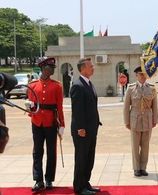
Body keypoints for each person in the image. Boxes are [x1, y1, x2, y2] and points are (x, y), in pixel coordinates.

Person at [26, 57, 65, 192]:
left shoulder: (57, 86)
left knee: (51, 151)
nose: (52, 70)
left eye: (53, 68)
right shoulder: (32, 85)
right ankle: (38, 180)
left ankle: (49, 179)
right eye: (50, 68)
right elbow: (30, 106)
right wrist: (30, 110)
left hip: (51, 122)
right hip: (37, 121)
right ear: (43, 68)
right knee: (37, 151)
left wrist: (62, 125)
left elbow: (59, 107)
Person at [70, 58, 101, 195]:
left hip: (92, 129)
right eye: (90, 66)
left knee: (89, 158)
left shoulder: (88, 83)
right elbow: (77, 110)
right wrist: (80, 128)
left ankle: (85, 183)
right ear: (82, 69)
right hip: (82, 131)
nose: (93, 68)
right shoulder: (77, 85)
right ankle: (79, 187)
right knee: (81, 158)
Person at [123, 66, 158, 177]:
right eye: (140, 74)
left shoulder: (152, 88)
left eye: (144, 74)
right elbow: (126, 106)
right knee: (135, 145)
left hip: (147, 119)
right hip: (135, 120)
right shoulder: (130, 88)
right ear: (136, 76)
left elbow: (155, 106)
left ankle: (143, 168)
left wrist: (155, 119)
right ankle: (136, 168)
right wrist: (126, 121)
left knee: (145, 145)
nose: (142, 76)